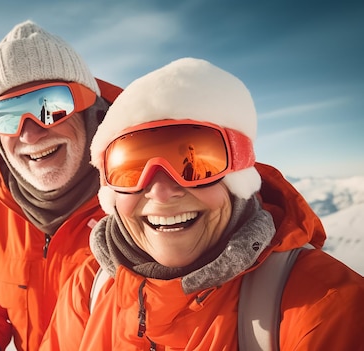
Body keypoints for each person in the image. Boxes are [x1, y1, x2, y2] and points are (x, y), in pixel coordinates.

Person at [40, 57, 364, 350]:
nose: (162, 192)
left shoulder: (327, 307)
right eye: (130, 169)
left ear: (237, 178)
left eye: (194, 166)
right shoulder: (88, 288)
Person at [0, 20, 122, 351]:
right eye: (8, 115)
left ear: (91, 109)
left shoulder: (141, 195)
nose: (30, 133)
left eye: (51, 106)